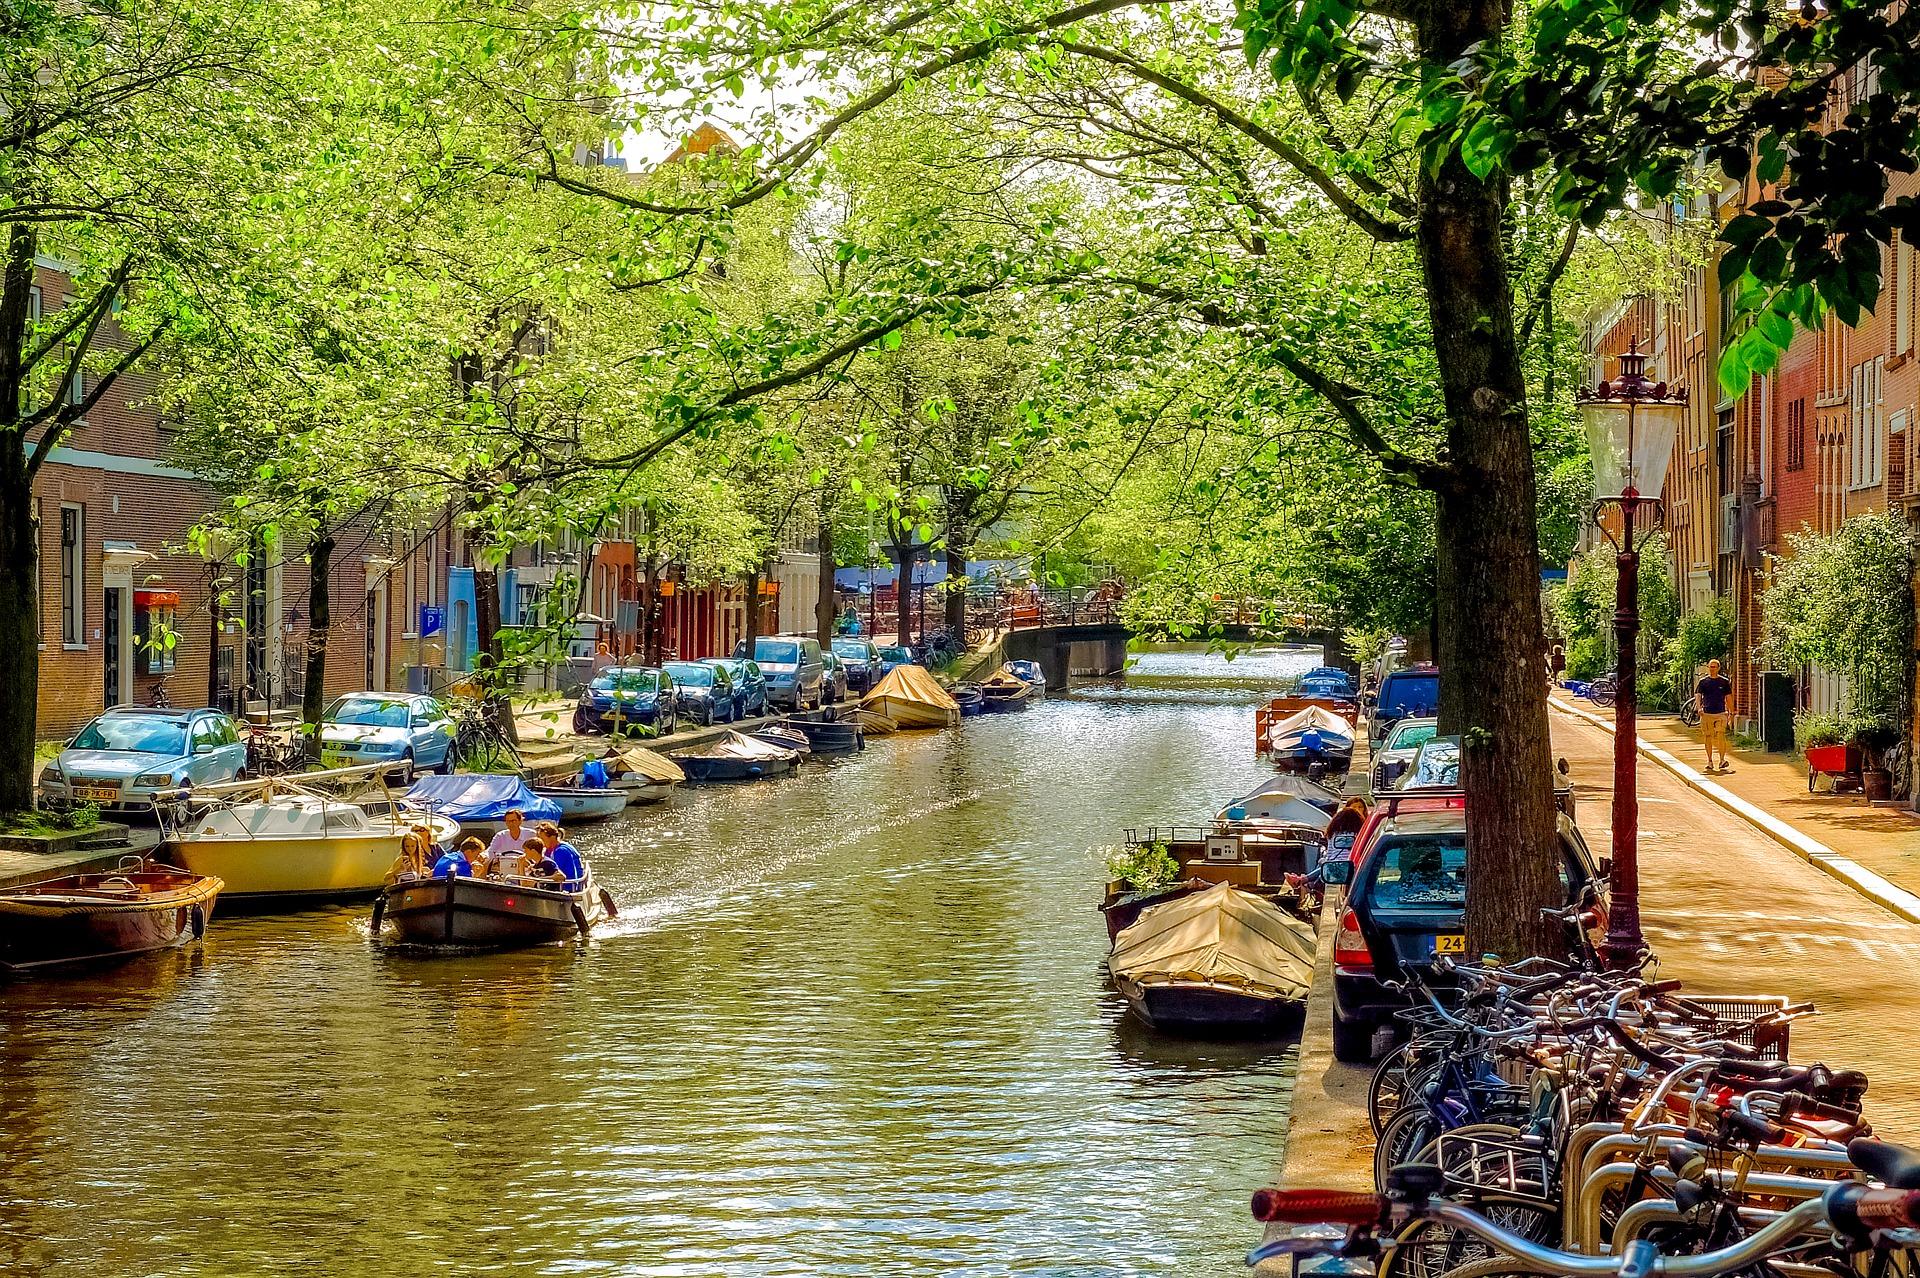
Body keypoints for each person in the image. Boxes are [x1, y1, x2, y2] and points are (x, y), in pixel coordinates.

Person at [1696, 658, 1735, 773]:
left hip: (1720, 713)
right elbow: (1698, 695)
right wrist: (1699, 708)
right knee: (1708, 736)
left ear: (1718, 668)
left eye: (1714, 667)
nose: (1712, 669)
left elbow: (1728, 697)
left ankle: (1722, 760)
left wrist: (1731, 712)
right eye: (1710, 667)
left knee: (1720, 735)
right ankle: (1709, 761)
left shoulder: (1724, 682)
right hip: (1707, 713)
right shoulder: (1703, 682)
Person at [536, 821, 586, 891]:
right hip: (556, 885)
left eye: (543, 839)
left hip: (566, 887)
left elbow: (555, 873)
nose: (541, 842)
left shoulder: (562, 851)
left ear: (552, 837)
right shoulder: (548, 850)